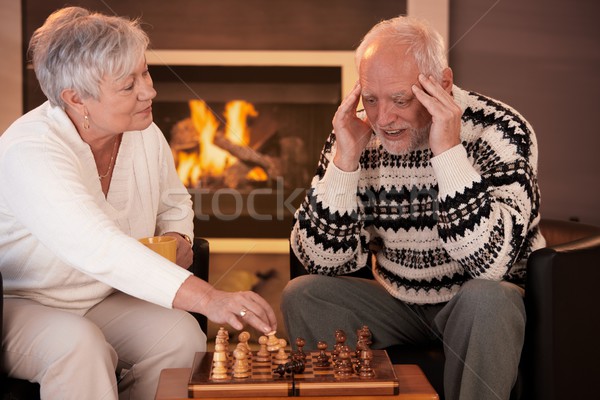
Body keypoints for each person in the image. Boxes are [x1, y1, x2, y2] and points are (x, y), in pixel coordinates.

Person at [0, 7, 276, 400]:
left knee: (180, 337)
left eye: (145, 72)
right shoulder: (30, 150)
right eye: (128, 85)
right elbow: (96, 244)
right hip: (20, 305)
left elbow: (174, 200)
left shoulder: (143, 132)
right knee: (80, 346)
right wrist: (209, 297)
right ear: (76, 98)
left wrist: (176, 234)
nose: (149, 91)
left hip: (102, 297)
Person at [281, 15, 545, 400]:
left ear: (442, 85)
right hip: (397, 301)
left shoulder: (501, 130)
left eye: (400, 100)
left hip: (475, 303)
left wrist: (449, 155)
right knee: (302, 294)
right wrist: (344, 164)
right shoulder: (357, 134)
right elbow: (322, 262)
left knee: (488, 300)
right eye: (370, 99)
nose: (383, 119)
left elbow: (491, 265)